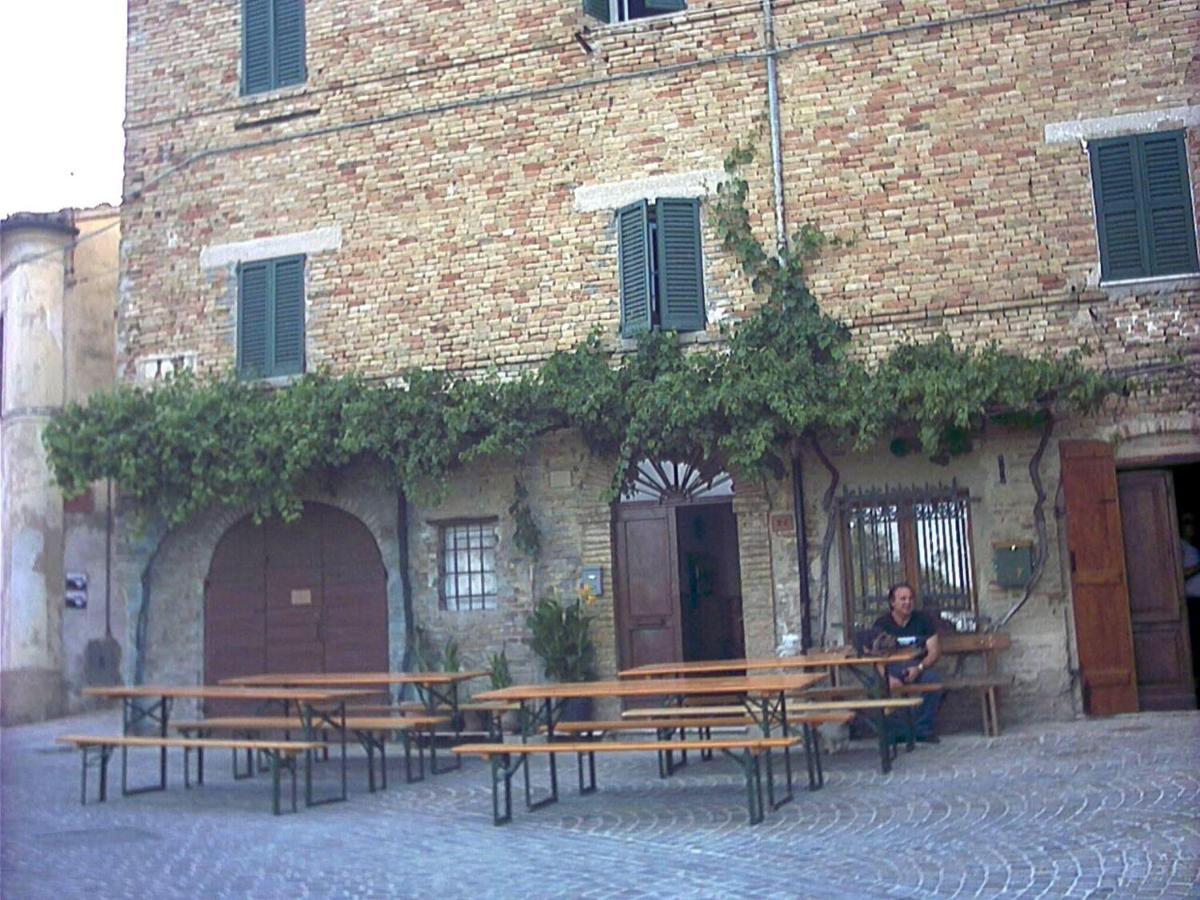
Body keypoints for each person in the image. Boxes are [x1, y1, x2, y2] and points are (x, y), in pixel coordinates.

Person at [873, 582, 943, 743]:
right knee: (877, 687)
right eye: (902, 599)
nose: (907, 602)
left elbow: (934, 651)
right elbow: (875, 657)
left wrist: (919, 668)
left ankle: (922, 730)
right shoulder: (881, 624)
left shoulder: (924, 621)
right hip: (891, 669)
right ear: (892, 602)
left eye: (910, 598)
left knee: (934, 681)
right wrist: (887, 678)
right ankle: (896, 732)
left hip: (917, 667)